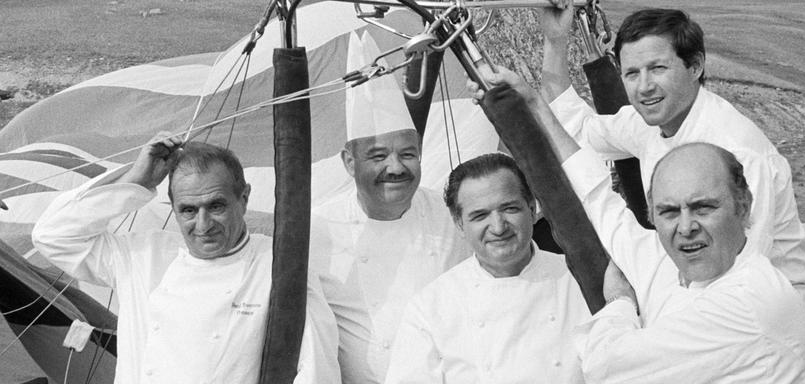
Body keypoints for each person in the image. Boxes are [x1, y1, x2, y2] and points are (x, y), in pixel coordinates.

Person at [470, 66, 805, 383]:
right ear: (652, 215)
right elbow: (597, 199)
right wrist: (531, 102)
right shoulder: (672, 262)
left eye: (703, 207)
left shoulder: (745, 303)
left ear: (743, 206)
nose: (686, 226)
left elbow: (605, 364)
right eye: (668, 211)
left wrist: (619, 304)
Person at [540, 4, 805, 310]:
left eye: (658, 68)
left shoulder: (737, 150)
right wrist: (555, 42)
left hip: (758, 316)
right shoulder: (649, 123)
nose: (644, 86)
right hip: (694, 285)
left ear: (695, 67)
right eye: (632, 73)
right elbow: (574, 128)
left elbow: (743, 267)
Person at [32, 135, 341, 384]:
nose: (203, 225)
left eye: (216, 206)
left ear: (244, 198)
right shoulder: (141, 255)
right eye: (188, 210)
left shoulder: (280, 266)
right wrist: (137, 180)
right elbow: (52, 235)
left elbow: (318, 371)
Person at [309, 31, 472, 384]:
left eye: (408, 154)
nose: (396, 168)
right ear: (349, 162)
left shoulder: (453, 215)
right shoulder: (317, 230)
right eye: (378, 155)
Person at [383, 153, 591, 384]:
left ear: (532, 209)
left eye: (510, 208)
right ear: (460, 224)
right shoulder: (430, 307)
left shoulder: (584, 280)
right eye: (480, 215)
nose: (498, 227)